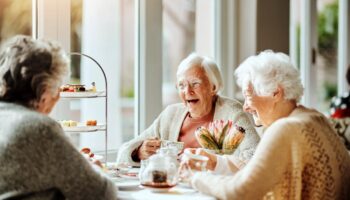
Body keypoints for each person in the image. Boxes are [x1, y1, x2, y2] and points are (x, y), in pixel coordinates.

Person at [186, 50, 350, 200]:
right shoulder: (313, 117)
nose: (245, 107)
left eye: (248, 96)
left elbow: (241, 191)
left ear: (275, 93)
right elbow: (260, 172)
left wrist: (195, 178)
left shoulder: (286, 129)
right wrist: (215, 161)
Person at [0, 35, 117, 200]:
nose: (58, 97)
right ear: (45, 89)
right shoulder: (39, 128)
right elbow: (102, 193)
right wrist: (92, 167)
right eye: (58, 88)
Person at [117, 53, 260, 166]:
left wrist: (216, 163)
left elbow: (256, 154)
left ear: (213, 87)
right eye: (181, 85)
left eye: (195, 84)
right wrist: (139, 153)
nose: (187, 91)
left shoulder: (231, 112)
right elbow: (123, 152)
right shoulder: (171, 114)